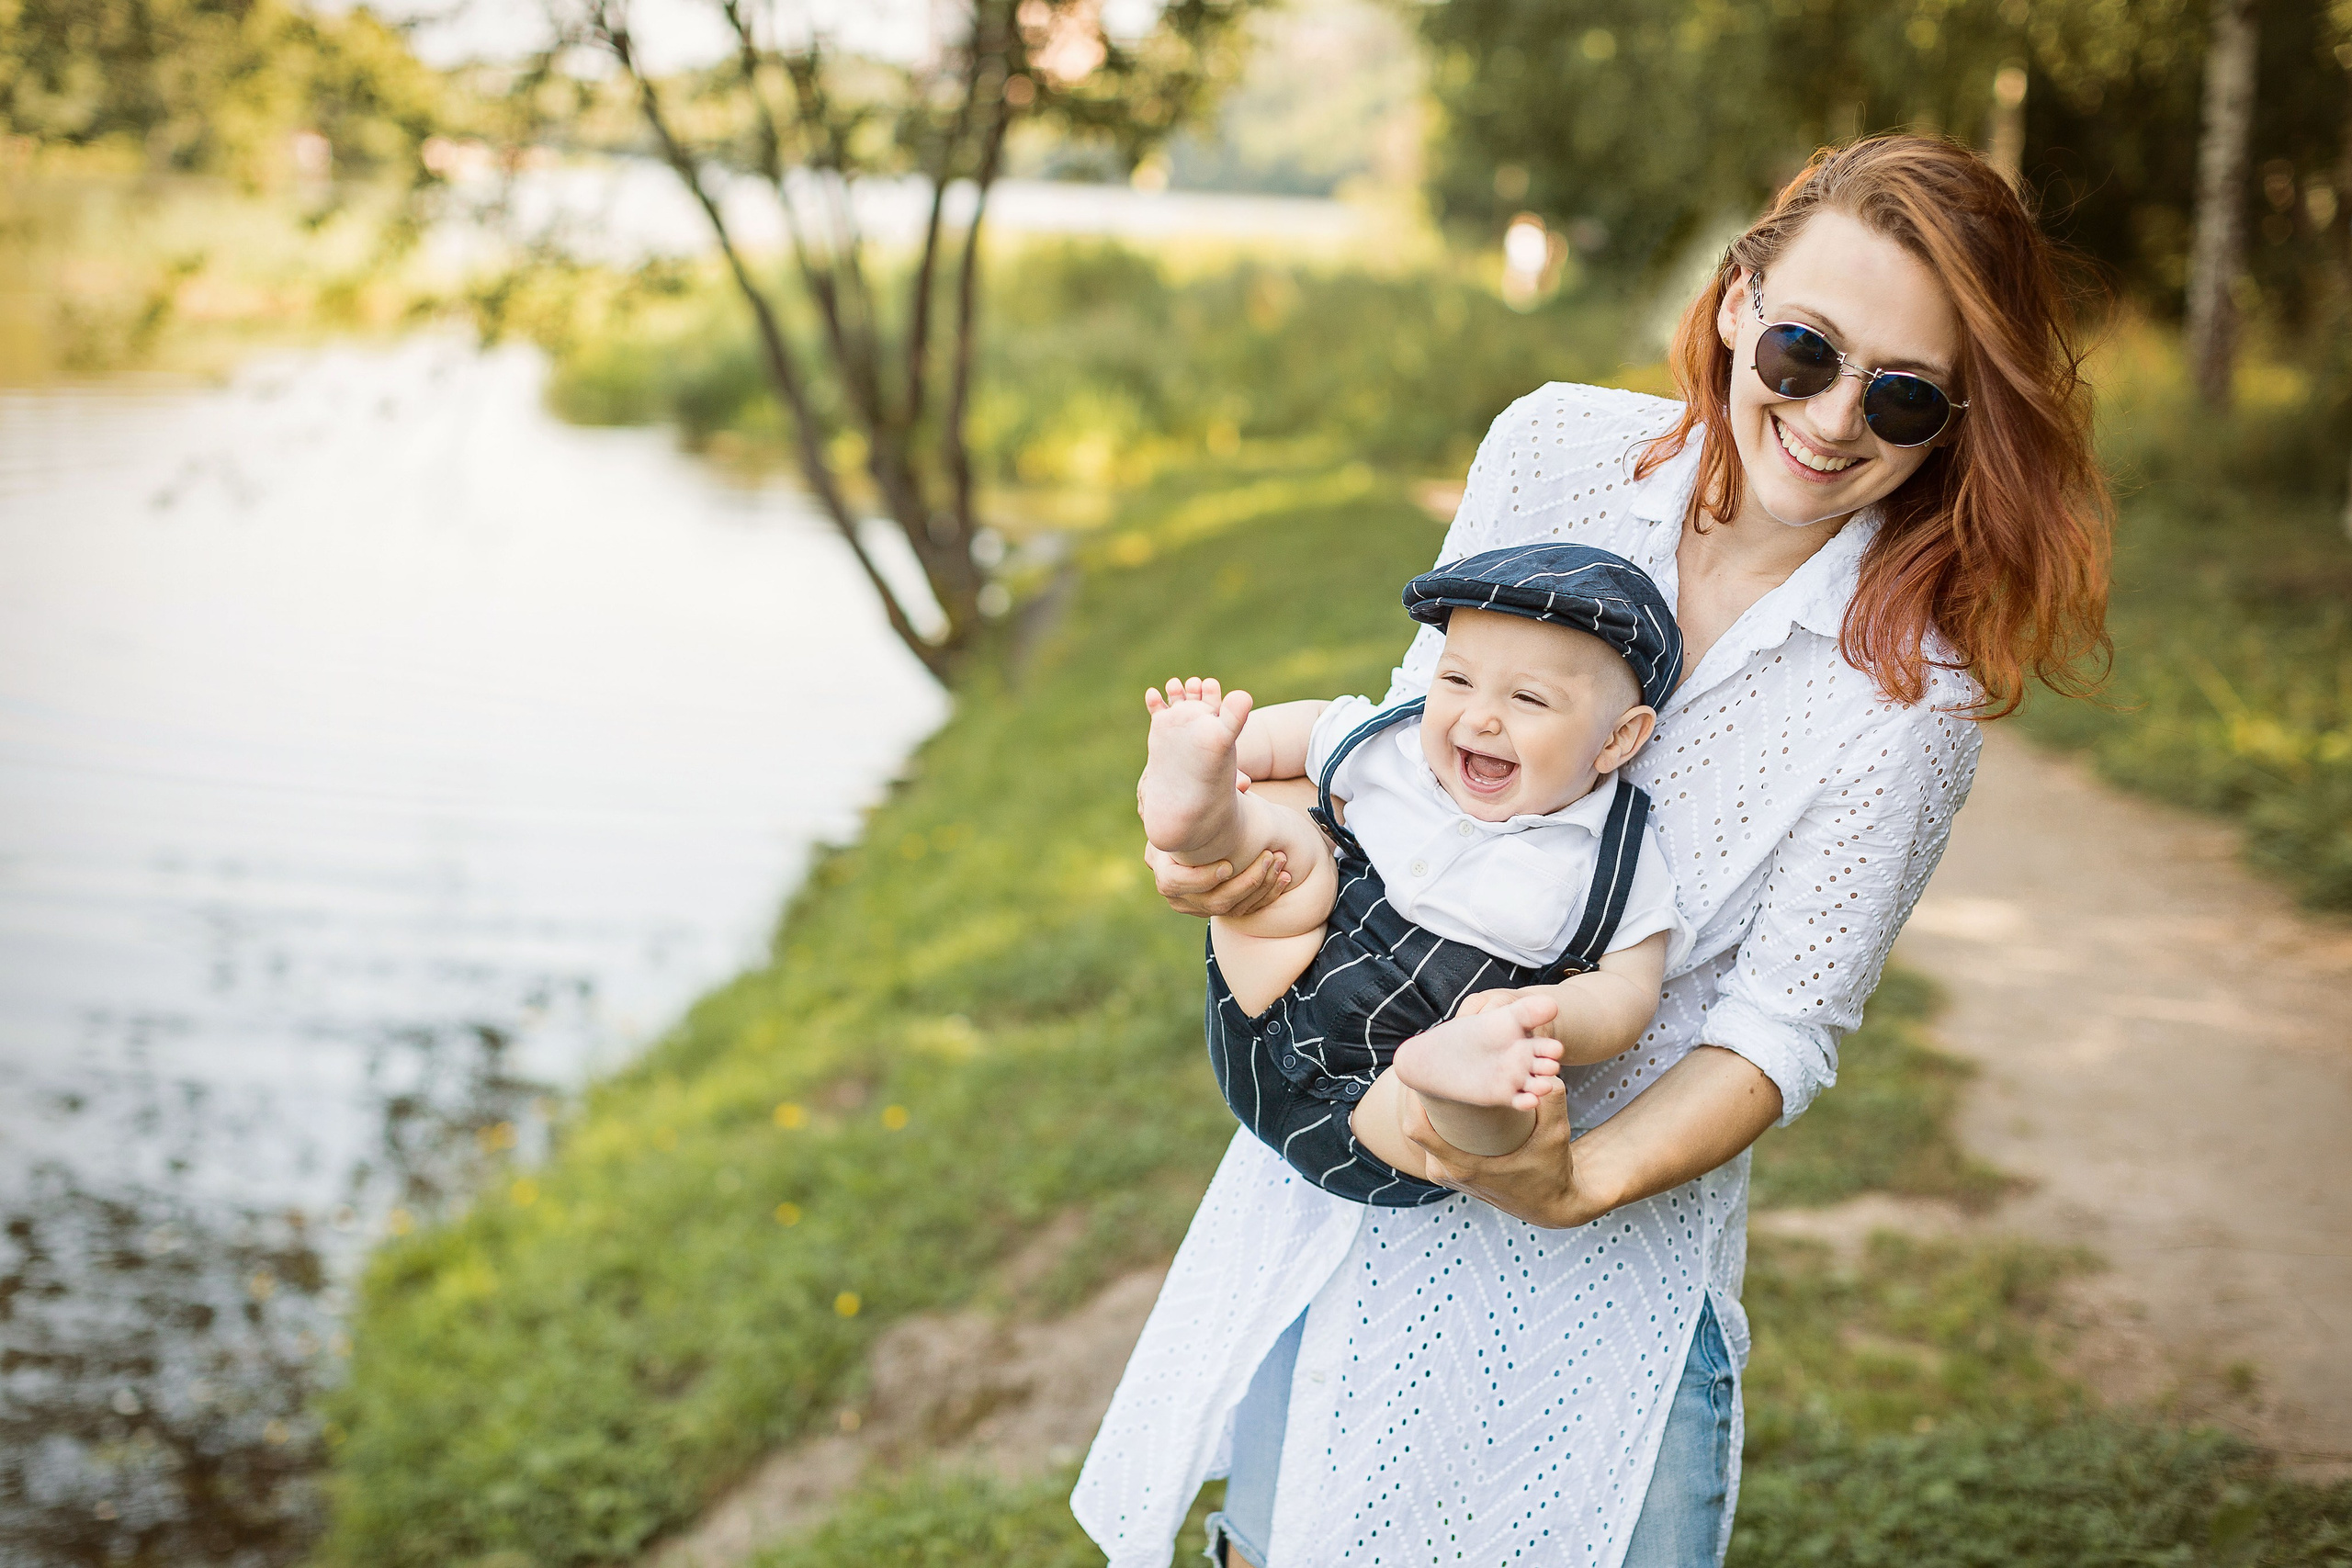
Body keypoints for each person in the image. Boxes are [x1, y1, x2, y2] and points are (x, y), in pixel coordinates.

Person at [1074, 133, 2110, 1568]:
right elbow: (1411, 750)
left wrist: (1580, 1179)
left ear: (1959, 416)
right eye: (1805, 348)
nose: (1829, 419)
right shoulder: (1554, 444)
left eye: (1905, 392)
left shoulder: (1909, 701)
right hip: (1338, 1174)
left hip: (1590, 1292)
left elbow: (1779, 1030)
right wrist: (1235, 861)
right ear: (1741, 299)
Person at [1135, 545, 1690, 1187]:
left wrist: (1535, 1020)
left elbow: (1627, 990)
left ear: (1619, 738)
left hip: (1400, 1089)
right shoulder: (1397, 746)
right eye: (1457, 681)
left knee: (1488, 1122)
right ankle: (1205, 808)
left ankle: (1458, 1079)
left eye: (1528, 699)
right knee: (1286, 866)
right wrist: (1238, 749)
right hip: (1273, 981)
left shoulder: (1616, 855)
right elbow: (1316, 729)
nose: (1479, 715)